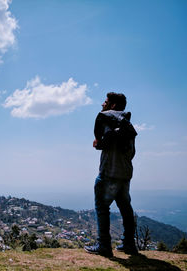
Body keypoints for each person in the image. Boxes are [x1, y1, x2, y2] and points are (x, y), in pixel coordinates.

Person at [84, 92, 138, 257]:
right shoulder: (127, 125)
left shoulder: (108, 121)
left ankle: (104, 246)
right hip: (125, 173)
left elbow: (107, 140)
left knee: (102, 208)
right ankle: (129, 244)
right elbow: (129, 151)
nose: (102, 104)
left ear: (113, 105)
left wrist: (98, 144)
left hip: (109, 173)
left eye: (106, 102)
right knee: (126, 209)